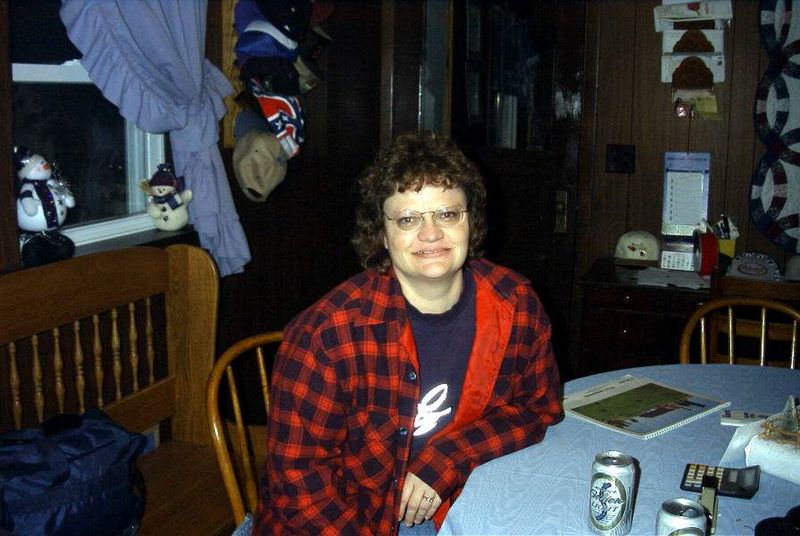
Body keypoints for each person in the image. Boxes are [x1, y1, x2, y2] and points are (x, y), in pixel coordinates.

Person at [255, 131, 563, 535]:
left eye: (448, 214)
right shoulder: (326, 336)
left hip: (458, 502)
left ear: (472, 219)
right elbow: (297, 484)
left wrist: (449, 457)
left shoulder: (516, 304)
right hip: (347, 522)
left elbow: (537, 407)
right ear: (381, 233)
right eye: (407, 219)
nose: (431, 233)